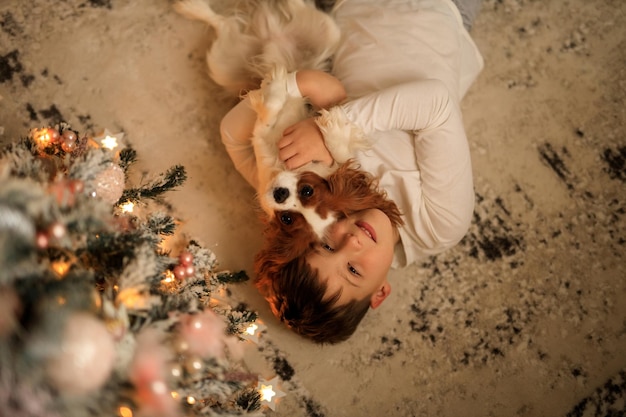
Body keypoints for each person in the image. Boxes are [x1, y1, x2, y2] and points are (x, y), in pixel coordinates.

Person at [220, 0, 484, 343]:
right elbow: (435, 105)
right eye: (354, 270)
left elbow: (233, 135)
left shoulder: (309, 196)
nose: (353, 242)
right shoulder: (440, 222)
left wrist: (298, 83)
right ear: (380, 293)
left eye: (328, 247)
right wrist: (331, 127)